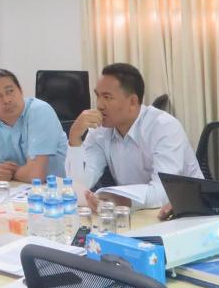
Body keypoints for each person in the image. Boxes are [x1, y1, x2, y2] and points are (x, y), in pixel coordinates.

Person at [65, 63, 202, 211]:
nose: (99, 105)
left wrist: (120, 200)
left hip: (188, 212)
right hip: (137, 213)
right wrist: (74, 138)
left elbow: (164, 192)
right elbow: (80, 185)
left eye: (107, 97)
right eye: (97, 96)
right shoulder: (100, 130)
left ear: (132, 102)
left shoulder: (164, 127)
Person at [0, 69, 67, 183]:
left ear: (21, 91)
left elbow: (36, 176)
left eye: (10, 91)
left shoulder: (40, 111)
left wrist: (11, 173)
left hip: (53, 193)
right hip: (10, 194)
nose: (6, 100)